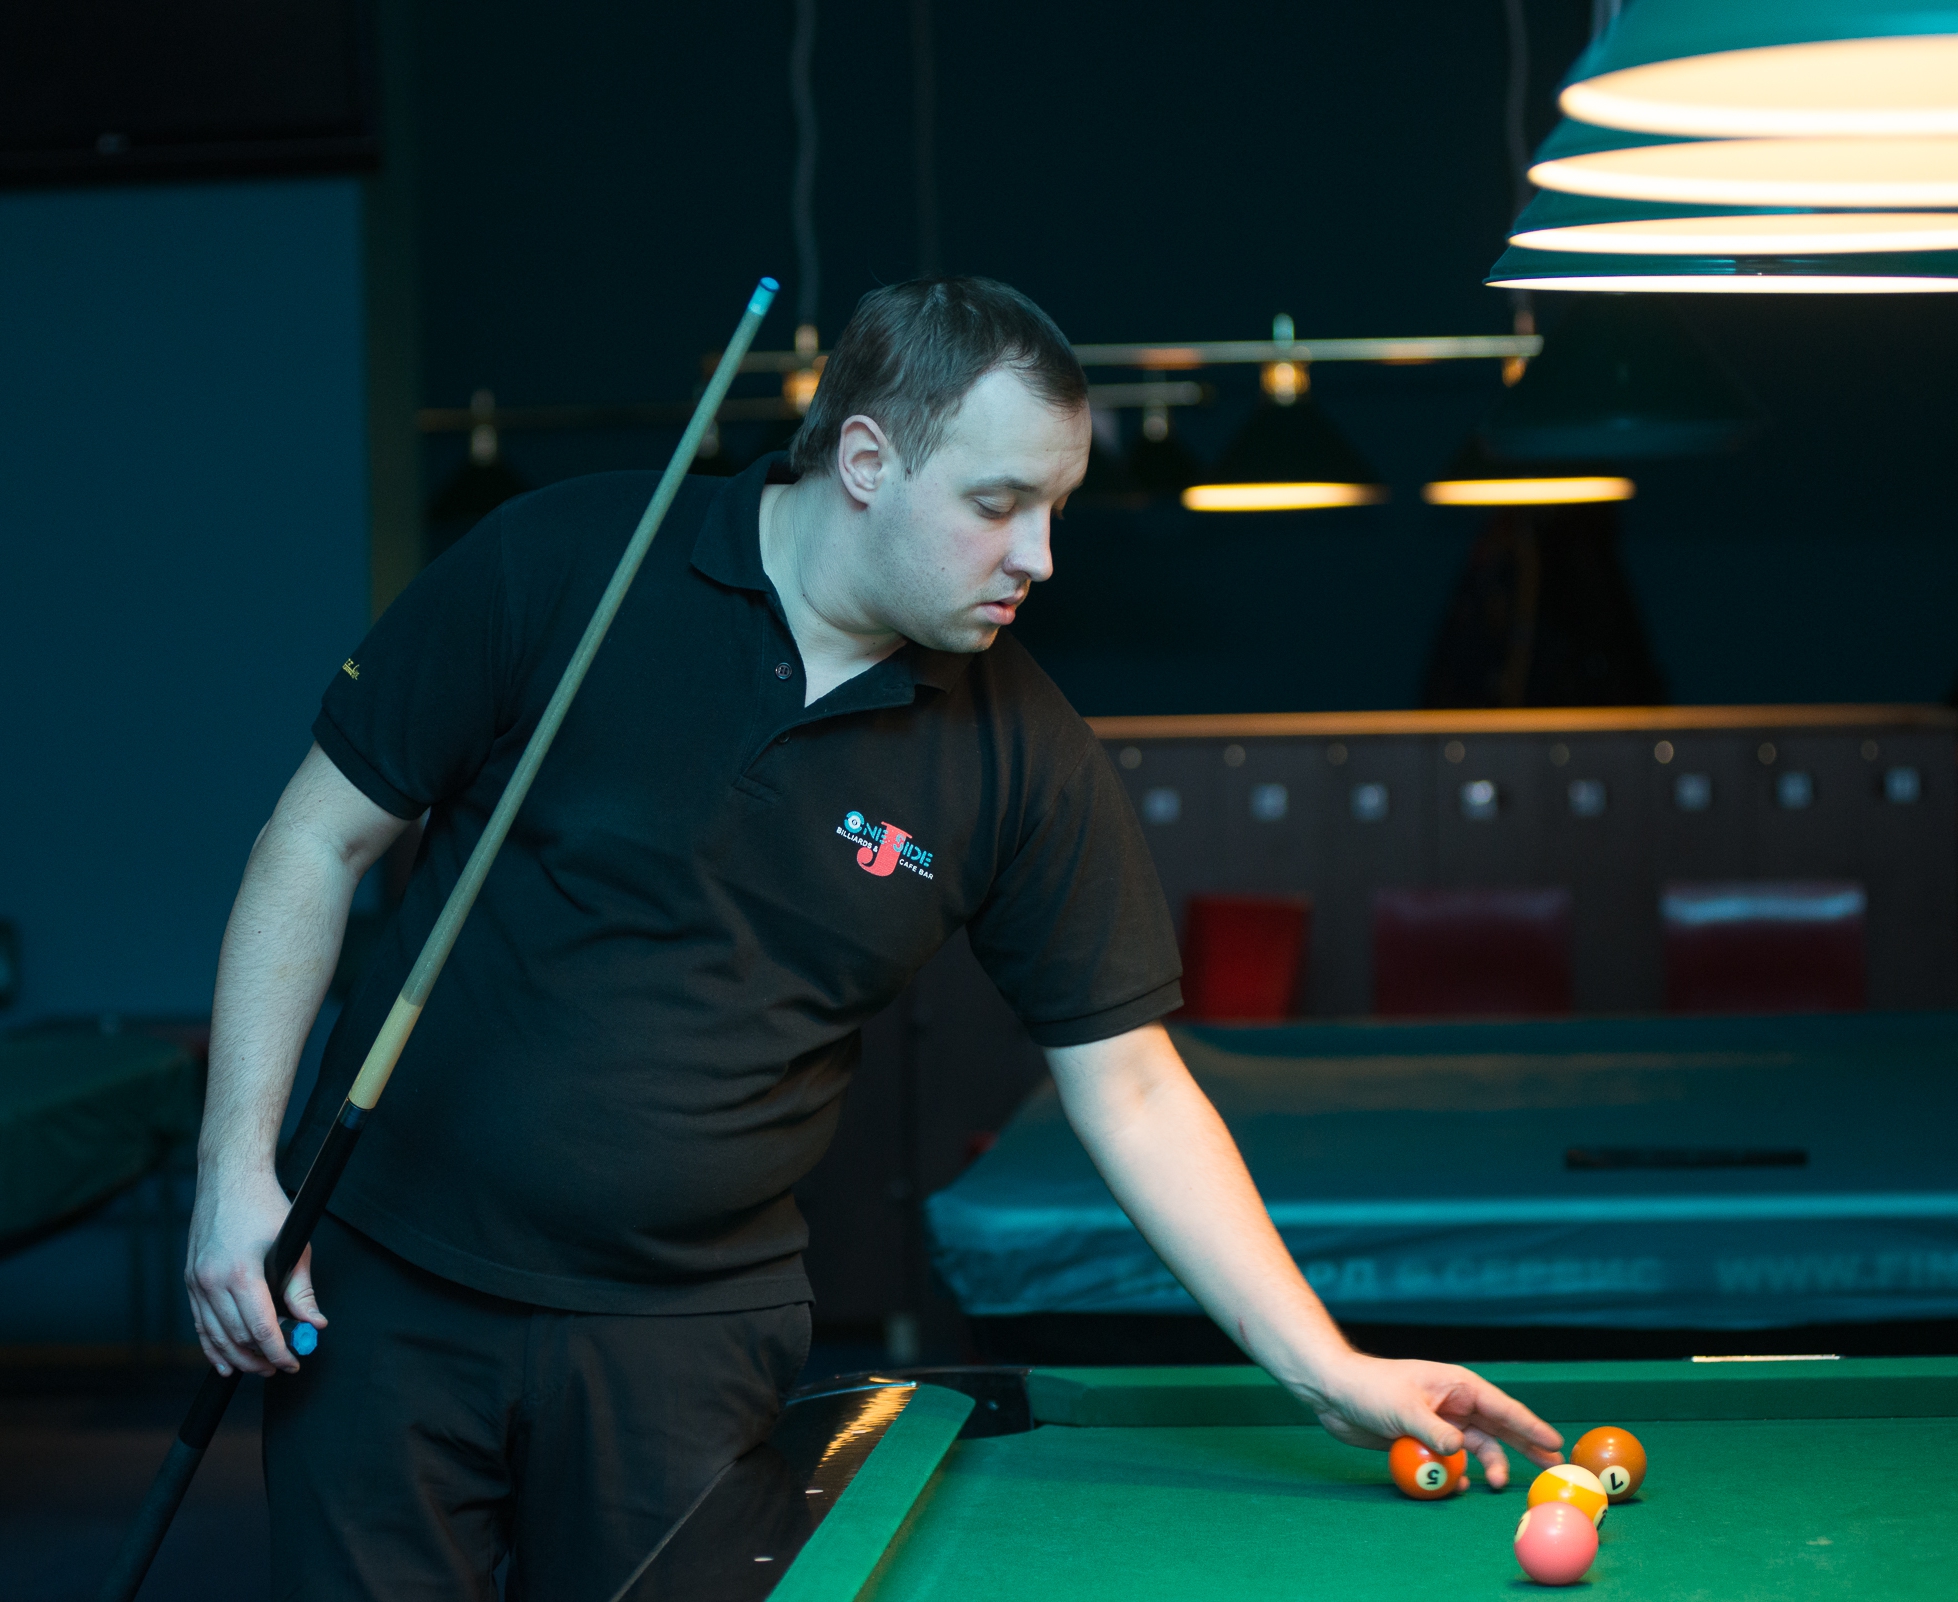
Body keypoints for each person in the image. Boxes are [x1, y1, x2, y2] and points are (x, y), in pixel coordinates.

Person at [185, 277, 1563, 1601]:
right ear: (864, 460)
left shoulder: (1021, 751)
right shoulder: (562, 563)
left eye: (1055, 508)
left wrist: (1327, 1367)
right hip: (384, 1286)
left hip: (687, 1336)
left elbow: (1135, 1087)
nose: (1039, 556)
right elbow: (315, 841)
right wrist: (236, 1173)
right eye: (998, 505)